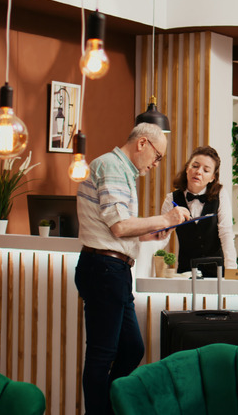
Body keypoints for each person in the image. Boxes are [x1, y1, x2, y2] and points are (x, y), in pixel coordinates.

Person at [74, 123, 190, 415]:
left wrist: (151, 234)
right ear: (142, 143)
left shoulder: (122, 171)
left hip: (114, 269)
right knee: (102, 354)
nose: (156, 163)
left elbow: (120, 229)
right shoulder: (112, 167)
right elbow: (120, 226)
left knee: (132, 348)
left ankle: (107, 408)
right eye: (157, 156)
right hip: (104, 269)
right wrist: (165, 219)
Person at [159, 146, 238, 273]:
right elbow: (162, 236)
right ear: (187, 168)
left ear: (212, 177)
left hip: (217, 271)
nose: (198, 172)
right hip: (186, 271)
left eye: (206, 170)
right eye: (195, 166)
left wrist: (231, 270)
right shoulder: (171, 199)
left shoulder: (221, 194)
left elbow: (226, 233)